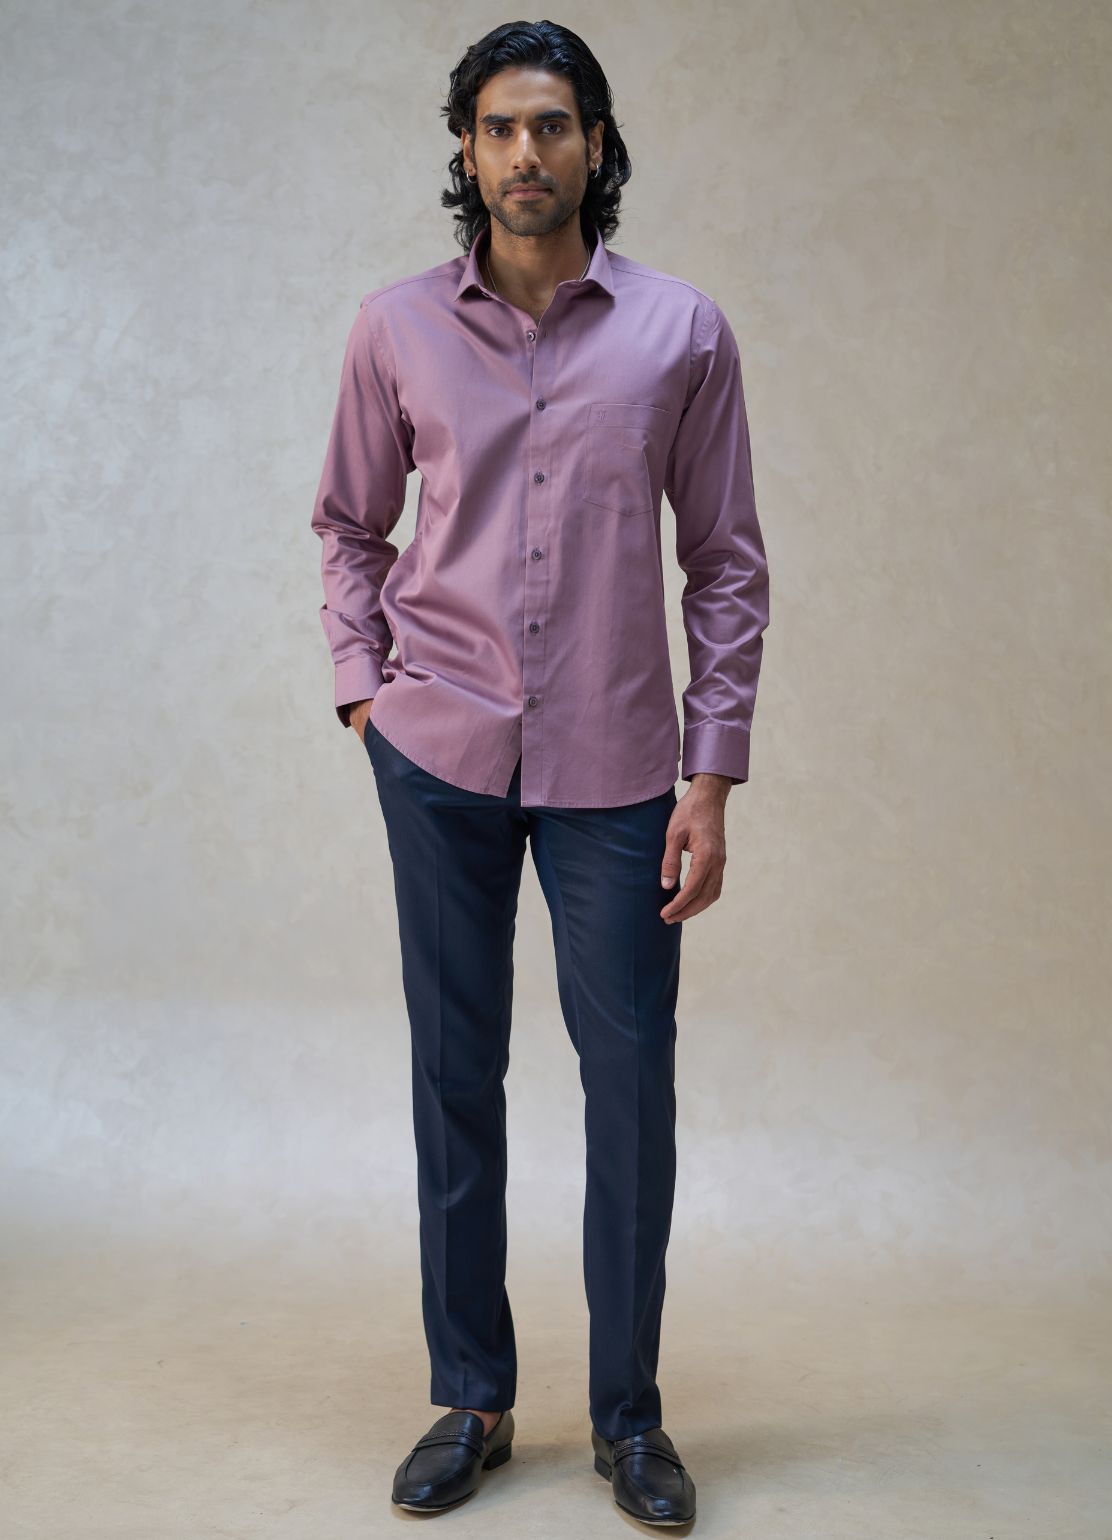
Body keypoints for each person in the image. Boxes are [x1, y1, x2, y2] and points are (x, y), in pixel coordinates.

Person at [310, 18, 769, 1526]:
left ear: (595, 145)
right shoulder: (394, 328)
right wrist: (365, 691)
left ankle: (631, 1418)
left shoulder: (682, 332)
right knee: (455, 1075)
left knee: (629, 1086)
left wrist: (712, 774)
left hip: (620, 766)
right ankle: (472, 1398)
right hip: (438, 753)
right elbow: (349, 526)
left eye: (553, 125)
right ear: (466, 148)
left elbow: (725, 562)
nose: (526, 152)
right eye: (500, 127)